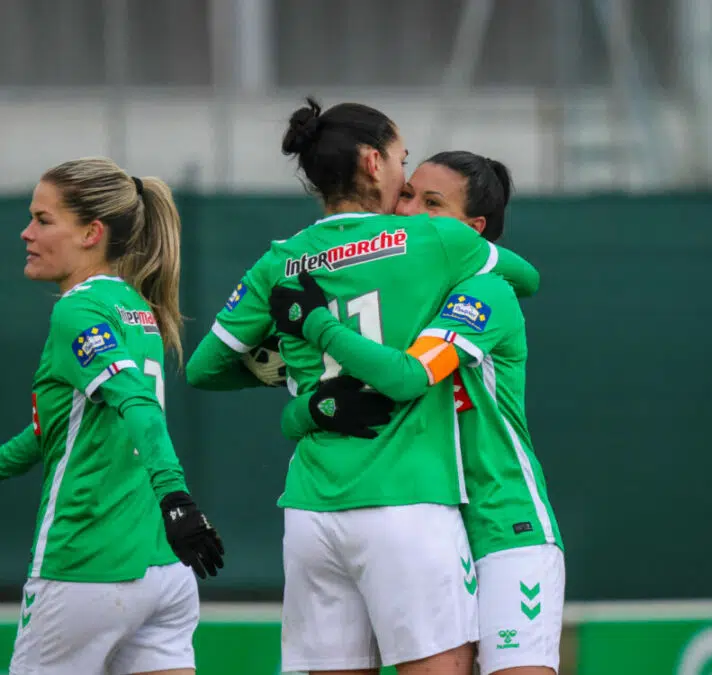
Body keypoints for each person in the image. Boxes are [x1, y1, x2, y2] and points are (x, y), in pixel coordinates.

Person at [184, 98, 541, 675]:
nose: (407, 176)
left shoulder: (281, 262)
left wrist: (302, 391)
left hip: (310, 510)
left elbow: (204, 368)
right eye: (402, 158)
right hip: (408, 501)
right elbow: (524, 276)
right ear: (374, 163)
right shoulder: (437, 243)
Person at [277, 151, 564, 675]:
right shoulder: (398, 297)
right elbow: (313, 390)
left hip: (501, 521)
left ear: (474, 230)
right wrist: (301, 413)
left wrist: (316, 322)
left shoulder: (485, 292)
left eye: (432, 203)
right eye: (407, 194)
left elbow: (405, 378)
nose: (408, 211)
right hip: (428, 518)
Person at [3, 157, 224, 675]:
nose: (26, 232)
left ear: (90, 233)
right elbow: (51, 436)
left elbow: (136, 404)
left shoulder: (77, 310)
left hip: (86, 564)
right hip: (163, 572)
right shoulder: (136, 307)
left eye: (43, 219)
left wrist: (177, 499)